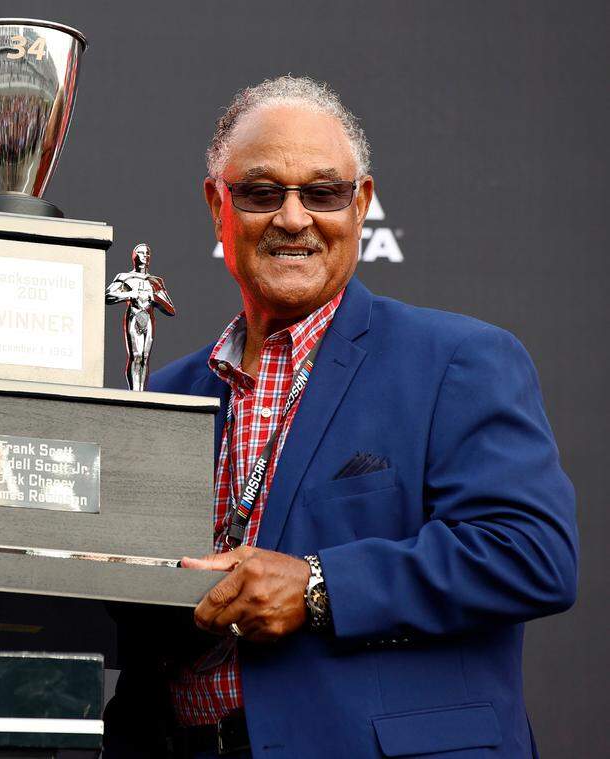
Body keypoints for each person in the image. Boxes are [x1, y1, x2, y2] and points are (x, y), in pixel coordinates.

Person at [103, 76, 577, 758]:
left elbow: (533, 554)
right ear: (218, 206)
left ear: (361, 205)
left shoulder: (459, 361)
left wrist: (321, 586)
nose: (294, 219)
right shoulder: (168, 395)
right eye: (262, 192)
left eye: (322, 193)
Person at [105, 243, 176, 391]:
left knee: (144, 357)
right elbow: (108, 296)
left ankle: (141, 392)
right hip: (134, 315)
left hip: (148, 318)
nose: (145, 256)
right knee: (136, 355)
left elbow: (170, 309)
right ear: (134, 256)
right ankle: (134, 392)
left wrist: (154, 298)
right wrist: (131, 294)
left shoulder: (155, 281)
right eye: (141, 253)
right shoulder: (125, 277)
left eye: (147, 253)